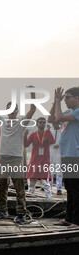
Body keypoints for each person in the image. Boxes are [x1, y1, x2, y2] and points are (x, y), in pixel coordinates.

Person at [0, 88, 36, 224]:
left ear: (17, 111)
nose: (11, 111)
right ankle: (2, 210)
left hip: (16, 159)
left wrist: (32, 94)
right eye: (8, 108)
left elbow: (32, 109)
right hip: (3, 158)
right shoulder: (2, 121)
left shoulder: (21, 122)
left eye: (13, 108)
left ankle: (21, 213)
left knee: (19, 188)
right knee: (2, 187)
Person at [52, 87, 79, 228]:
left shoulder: (78, 112)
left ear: (77, 98)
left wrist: (57, 101)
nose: (66, 100)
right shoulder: (69, 112)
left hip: (75, 155)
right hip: (67, 155)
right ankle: (69, 218)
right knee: (69, 187)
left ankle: (76, 221)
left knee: (76, 189)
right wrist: (54, 102)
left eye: (68, 97)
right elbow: (54, 119)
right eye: (65, 98)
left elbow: (60, 118)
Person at [24, 117, 55, 198]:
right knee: (32, 181)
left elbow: (52, 141)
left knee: (45, 181)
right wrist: (25, 135)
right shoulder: (33, 135)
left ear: (45, 124)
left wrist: (48, 131)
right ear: (37, 124)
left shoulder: (47, 133)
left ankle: (49, 198)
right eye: (40, 122)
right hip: (34, 160)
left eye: (43, 122)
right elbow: (26, 144)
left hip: (44, 160)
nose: (42, 124)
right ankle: (31, 197)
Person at [49, 122, 63, 195]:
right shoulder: (50, 132)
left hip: (59, 154)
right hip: (50, 153)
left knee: (59, 172)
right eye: (54, 124)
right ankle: (49, 188)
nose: (55, 125)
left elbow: (64, 142)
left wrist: (59, 145)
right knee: (50, 172)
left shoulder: (62, 132)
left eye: (56, 123)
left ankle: (59, 189)